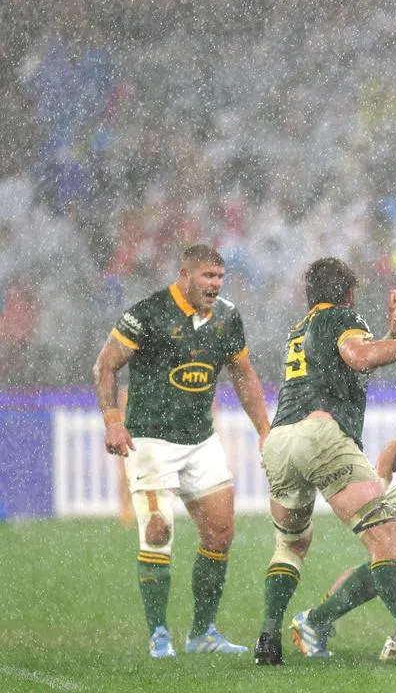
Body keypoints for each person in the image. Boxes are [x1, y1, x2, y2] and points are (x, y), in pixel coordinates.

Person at [251, 257, 396, 665]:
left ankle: (268, 637)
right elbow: (358, 356)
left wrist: (392, 334)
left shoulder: (299, 329)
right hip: (321, 434)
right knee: (388, 542)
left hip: (280, 439)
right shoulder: (342, 318)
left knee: (290, 543)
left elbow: (347, 365)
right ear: (349, 293)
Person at [93, 244, 271, 659]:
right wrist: (113, 420)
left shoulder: (227, 317)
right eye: (207, 277)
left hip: (201, 441)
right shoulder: (148, 313)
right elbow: (105, 365)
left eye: (219, 277)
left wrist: (264, 429)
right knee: (158, 530)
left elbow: (243, 373)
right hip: (149, 440)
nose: (215, 285)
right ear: (184, 275)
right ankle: (158, 634)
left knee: (221, 533)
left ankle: (203, 632)